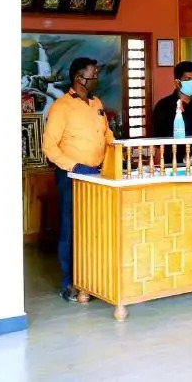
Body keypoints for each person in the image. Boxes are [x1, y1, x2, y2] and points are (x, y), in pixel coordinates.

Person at [43, 57, 113, 303]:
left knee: (96, 228)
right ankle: (69, 283)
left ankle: (93, 278)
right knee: (71, 228)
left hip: (98, 176)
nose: (96, 79)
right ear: (79, 78)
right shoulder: (61, 107)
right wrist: (75, 167)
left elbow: (107, 135)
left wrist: (117, 154)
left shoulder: (96, 103)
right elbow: (49, 147)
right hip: (71, 175)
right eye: (93, 75)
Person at [151, 60, 192, 164]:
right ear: (177, 82)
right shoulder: (163, 106)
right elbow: (157, 145)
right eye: (187, 79)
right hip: (172, 164)